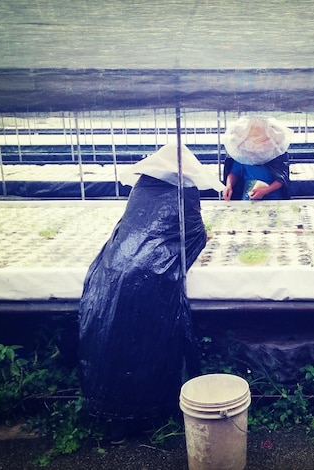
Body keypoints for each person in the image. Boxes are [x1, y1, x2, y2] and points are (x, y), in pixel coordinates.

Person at [78, 144, 225, 444]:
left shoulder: (142, 187)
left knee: (114, 350)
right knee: (147, 350)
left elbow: (130, 228)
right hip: (152, 282)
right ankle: (145, 418)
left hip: (113, 273)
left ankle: (115, 424)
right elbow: (193, 236)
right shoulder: (185, 192)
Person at [221, 116, 293, 200]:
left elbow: (282, 179)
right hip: (249, 195)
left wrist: (266, 190)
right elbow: (234, 173)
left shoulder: (275, 154)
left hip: (273, 197)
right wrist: (228, 186)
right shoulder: (242, 154)